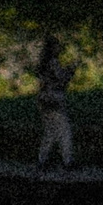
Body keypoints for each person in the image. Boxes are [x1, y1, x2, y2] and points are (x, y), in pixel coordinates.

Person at [34, 36, 74, 170]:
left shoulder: (42, 64)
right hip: (54, 99)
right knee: (64, 130)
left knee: (50, 131)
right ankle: (67, 161)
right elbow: (62, 79)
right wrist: (71, 69)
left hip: (43, 99)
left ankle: (42, 159)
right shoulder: (53, 62)